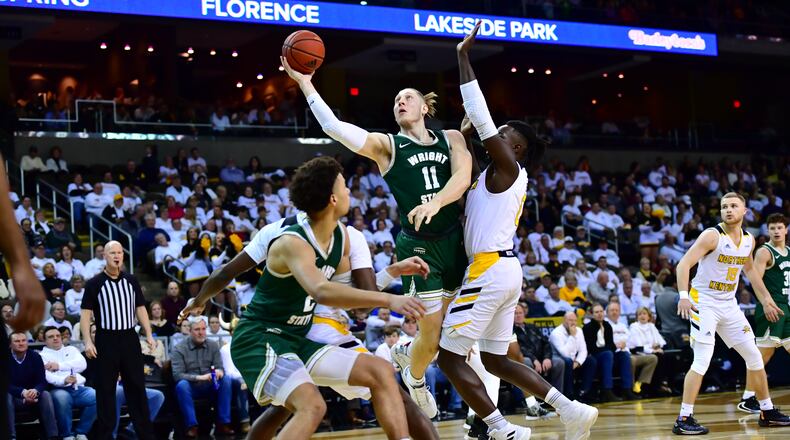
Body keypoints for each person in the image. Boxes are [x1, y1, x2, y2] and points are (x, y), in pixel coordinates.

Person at [283, 37, 472, 420]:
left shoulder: (452, 137)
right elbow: (336, 129)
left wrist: (436, 202)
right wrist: (305, 83)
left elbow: (464, 176)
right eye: (395, 100)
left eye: (407, 97)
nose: (399, 102)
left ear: (424, 106)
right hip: (419, 247)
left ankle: (411, 357)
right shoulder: (388, 146)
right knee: (432, 336)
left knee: (454, 334)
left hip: (455, 240)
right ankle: (415, 378)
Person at [178, 157, 426, 439]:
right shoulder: (291, 242)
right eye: (345, 187)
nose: (350, 194)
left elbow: (353, 299)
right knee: (312, 406)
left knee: (381, 371)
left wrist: (390, 272)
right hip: (260, 337)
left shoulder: (341, 237)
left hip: (298, 338)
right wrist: (390, 300)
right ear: (333, 199)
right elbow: (320, 291)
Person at [434, 22, 596, 440]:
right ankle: (571, 409)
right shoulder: (494, 175)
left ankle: (500, 427)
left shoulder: (510, 168)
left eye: (505, 136)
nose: (497, 138)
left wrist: (463, 58)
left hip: (488, 271)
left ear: (517, 149)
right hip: (502, 271)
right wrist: (462, 134)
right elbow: (467, 148)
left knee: (449, 357)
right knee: (495, 361)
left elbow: (485, 122)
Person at [673, 193, 790, 434]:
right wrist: (683, 296)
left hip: (728, 304)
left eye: (733, 206)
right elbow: (683, 264)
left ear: (744, 211)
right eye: (724, 206)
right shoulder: (712, 235)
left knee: (755, 357)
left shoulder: (749, 240)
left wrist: (766, 300)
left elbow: (750, 271)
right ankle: (684, 418)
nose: (728, 210)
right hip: (703, 302)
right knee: (702, 360)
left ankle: (766, 411)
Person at [80, 240, 156, 440]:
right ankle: (105, 435)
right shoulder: (94, 283)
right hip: (106, 339)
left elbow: (140, 308)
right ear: (105, 256)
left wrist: (148, 334)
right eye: (112, 252)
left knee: (137, 387)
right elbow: (85, 314)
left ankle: (145, 434)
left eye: (120, 253)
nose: (116, 256)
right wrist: (88, 341)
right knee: (105, 390)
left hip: (129, 337)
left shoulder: (131, 280)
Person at [738, 213, 790, 414]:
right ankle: (748, 397)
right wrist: (767, 303)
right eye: (772, 228)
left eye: (779, 228)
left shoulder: (788, 252)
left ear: (786, 229)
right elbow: (755, 281)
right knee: (760, 357)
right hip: (770, 309)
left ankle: (748, 397)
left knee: (762, 356)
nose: (776, 231)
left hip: (785, 308)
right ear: (767, 231)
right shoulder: (764, 252)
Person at [170, 319, 234, 437]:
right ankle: (192, 426)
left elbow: (220, 367)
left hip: (210, 385)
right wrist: (200, 377)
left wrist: (219, 372)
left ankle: (223, 423)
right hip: (192, 387)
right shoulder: (179, 348)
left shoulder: (213, 345)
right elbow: (177, 375)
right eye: (197, 329)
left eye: (203, 329)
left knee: (226, 380)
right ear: (189, 331)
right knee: (181, 385)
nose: (201, 333)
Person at [40, 326, 96, 440]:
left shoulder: (71, 350)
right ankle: (67, 435)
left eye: (58, 336)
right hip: (57, 389)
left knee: (97, 396)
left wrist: (58, 366)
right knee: (62, 397)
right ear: (45, 340)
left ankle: (81, 432)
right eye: (51, 337)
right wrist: (63, 380)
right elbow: (47, 376)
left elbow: (82, 364)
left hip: (78, 389)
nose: (56, 338)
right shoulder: (41, 355)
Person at [582, 303, 638, 402]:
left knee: (624, 355)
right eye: (596, 312)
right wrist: (607, 350)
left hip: (608, 354)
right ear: (592, 314)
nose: (599, 314)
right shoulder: (587, 328)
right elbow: (590, 348)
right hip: (595, 356)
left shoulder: (607, 325)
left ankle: (627, 389)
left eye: (601, 312)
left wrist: (613, 348)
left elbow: (611, 345)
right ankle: (607, 390)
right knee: (608, 354)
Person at [7, 331, 58, 440]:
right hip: (14, 397)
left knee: (45, 395)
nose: (21, 343)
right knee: (5, 396)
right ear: (10, 344)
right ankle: (11, 436)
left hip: (33, 396)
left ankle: (52, 436)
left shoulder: (35, 356)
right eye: (17, 341)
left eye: (23, 340)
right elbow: (4, 384)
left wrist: (35, 391)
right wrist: (22, 392)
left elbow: (42, 381)